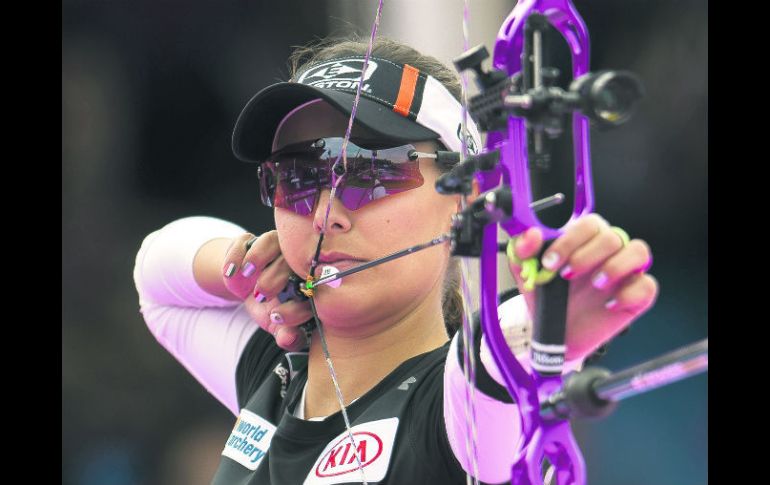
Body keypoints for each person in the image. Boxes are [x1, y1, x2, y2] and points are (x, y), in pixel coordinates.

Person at [133, 37, 657, 484]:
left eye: (370, 171)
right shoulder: (274, 369)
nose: (325, 214)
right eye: (297, 178)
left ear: (466, 195)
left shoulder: (453, 417)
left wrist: (551, 323)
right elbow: (156, 276)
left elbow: (503, 360)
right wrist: (242, 269)